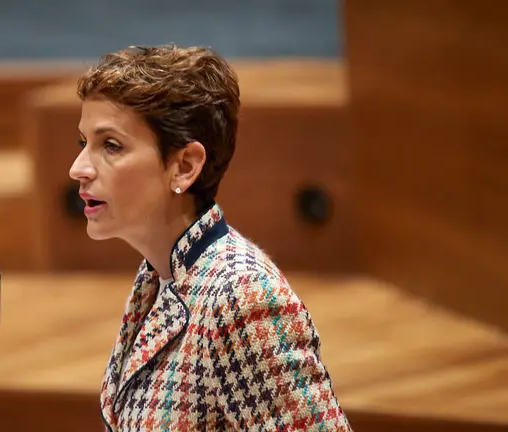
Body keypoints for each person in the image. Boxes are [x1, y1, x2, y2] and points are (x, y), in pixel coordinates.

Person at [69, 44, 351, 432]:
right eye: (83, 143)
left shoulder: (241, 297)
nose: (78, 168)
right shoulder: (159, 276)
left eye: (111, 145)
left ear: (184, 167)